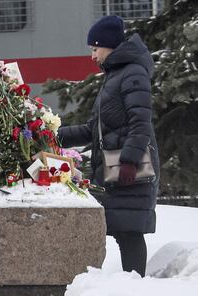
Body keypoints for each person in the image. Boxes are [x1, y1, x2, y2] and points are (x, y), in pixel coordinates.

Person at [58, 15, 159, 277]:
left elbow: (141, 121)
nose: (92, 55)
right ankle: (130, 284)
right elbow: (94, 129)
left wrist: (130, 161)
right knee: (124, 230)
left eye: (95, 48)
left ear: (110, 45)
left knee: (130, 231)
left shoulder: (132, 73)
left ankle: (136, 286)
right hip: (117, 166)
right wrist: (53, 136)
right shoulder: (116, 75)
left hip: (128, 167)